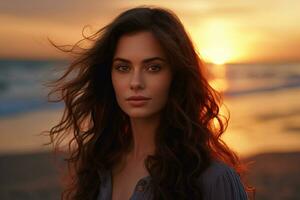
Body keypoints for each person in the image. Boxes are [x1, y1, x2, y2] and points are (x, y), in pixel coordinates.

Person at [45, 5, 255, 200]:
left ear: (177, 76)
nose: (135, 83)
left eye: (153, 67)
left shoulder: (213, 179)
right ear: (109, 76)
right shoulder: (100, 166)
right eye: (123, 68)